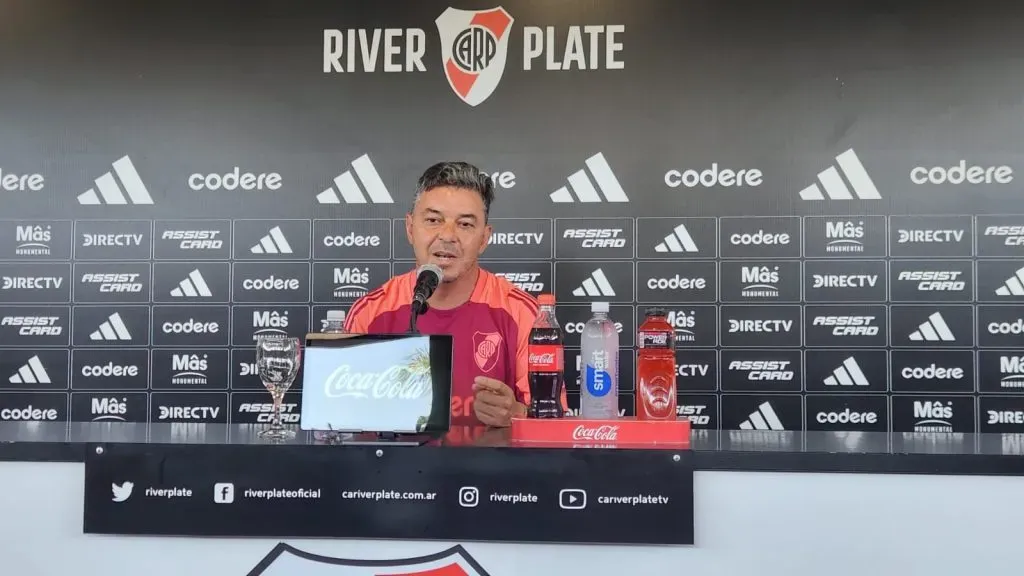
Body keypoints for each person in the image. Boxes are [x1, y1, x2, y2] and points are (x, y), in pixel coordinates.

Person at [343, 161, 566, 427]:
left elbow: (553, 425)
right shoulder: (370, 313)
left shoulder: (523, 314)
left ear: (484, 238)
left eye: (465, 224)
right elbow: (338, 421)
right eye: (433, 220)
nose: (447, 236)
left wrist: (516, 414)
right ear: (410, 228)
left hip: (491, 456)